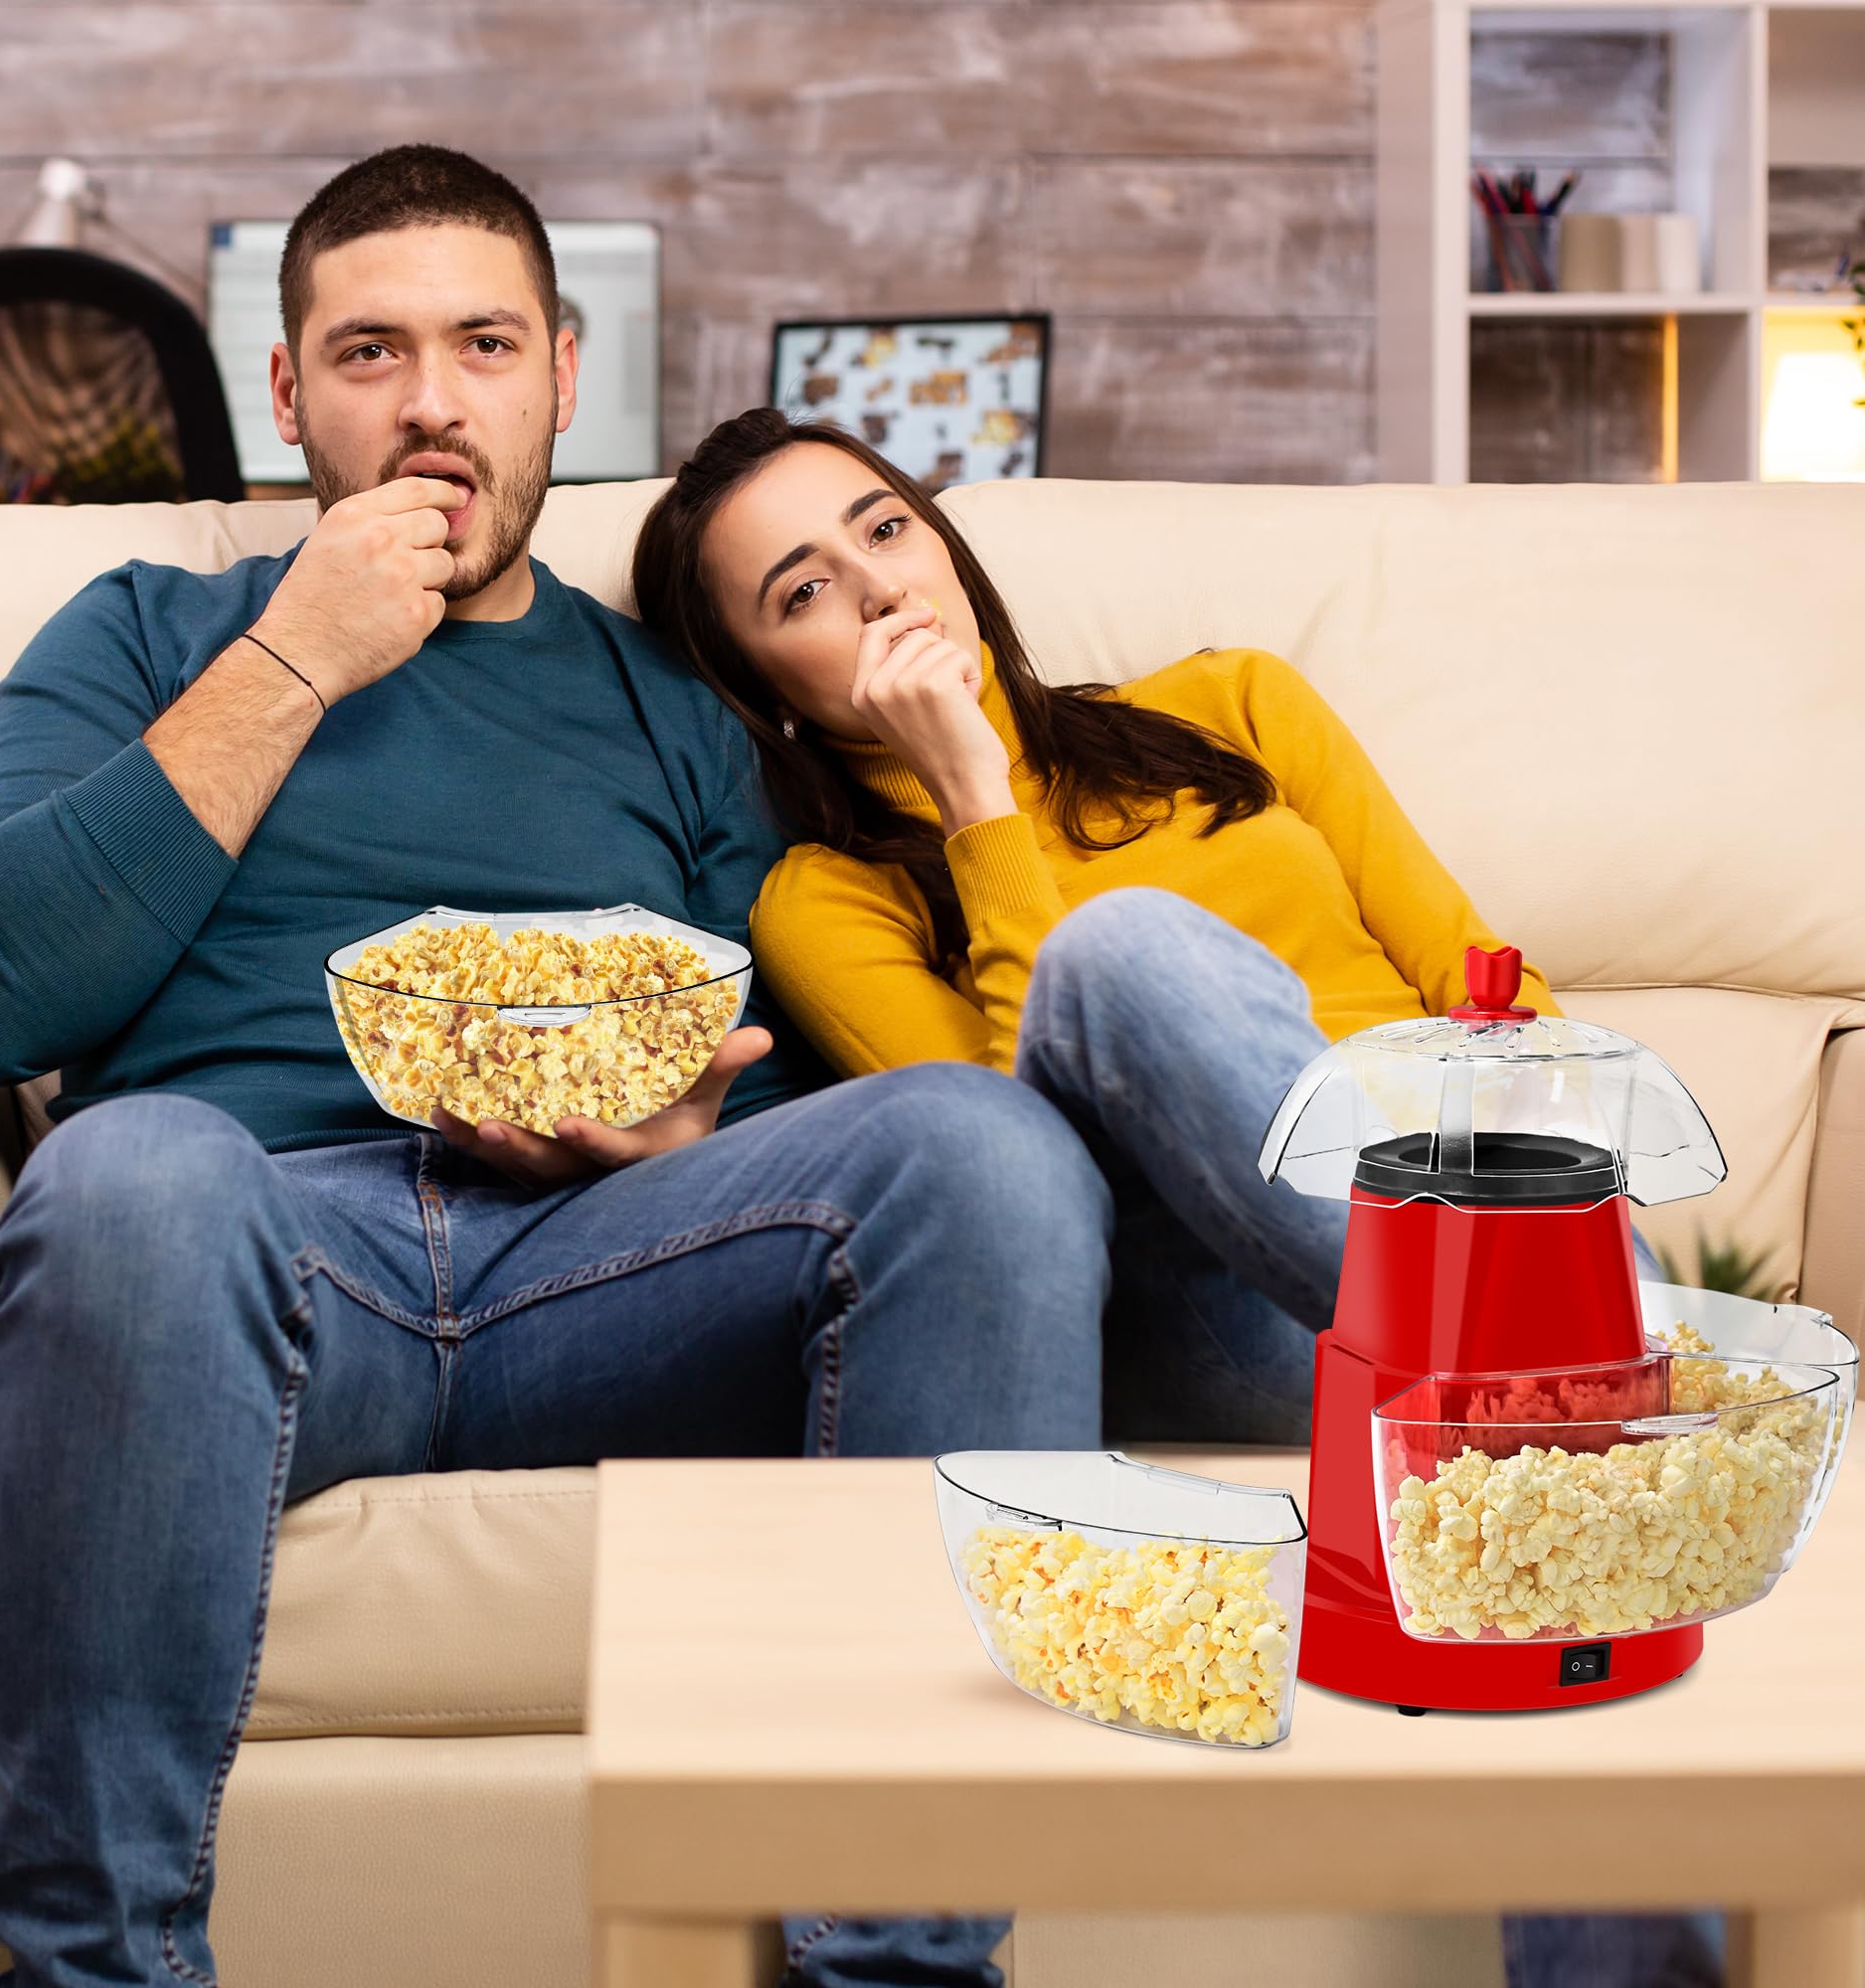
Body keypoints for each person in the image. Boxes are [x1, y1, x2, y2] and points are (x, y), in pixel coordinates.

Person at [0, 148, 1112, 1988]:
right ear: (292, 392)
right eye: (370, 353)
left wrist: (677, 1127)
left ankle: (900, 1967)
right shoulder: (145, 632)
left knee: (977, 1148)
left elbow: (787, 1102)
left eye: (480, 344)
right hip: (264, 1259)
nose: (432, 402)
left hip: (610, 1266)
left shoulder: (677, 708)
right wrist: (302, 651)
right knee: (134, 1169)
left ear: (559, 373)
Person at [631, 407, 1723, 1988]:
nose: (873, 590)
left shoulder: (1234, 705)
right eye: (799, 594)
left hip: (1465, 1232)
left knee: (1502, 1460)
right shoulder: (830, 898)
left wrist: (1530, 1184)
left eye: (882, 528)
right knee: (1111, 956)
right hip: (1206, 1295)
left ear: (943, 539)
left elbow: (1488, 989)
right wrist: (974, 801)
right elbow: (1004, 1166)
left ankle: (1522, 1394)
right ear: (762, 692)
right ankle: (1549, 1393)